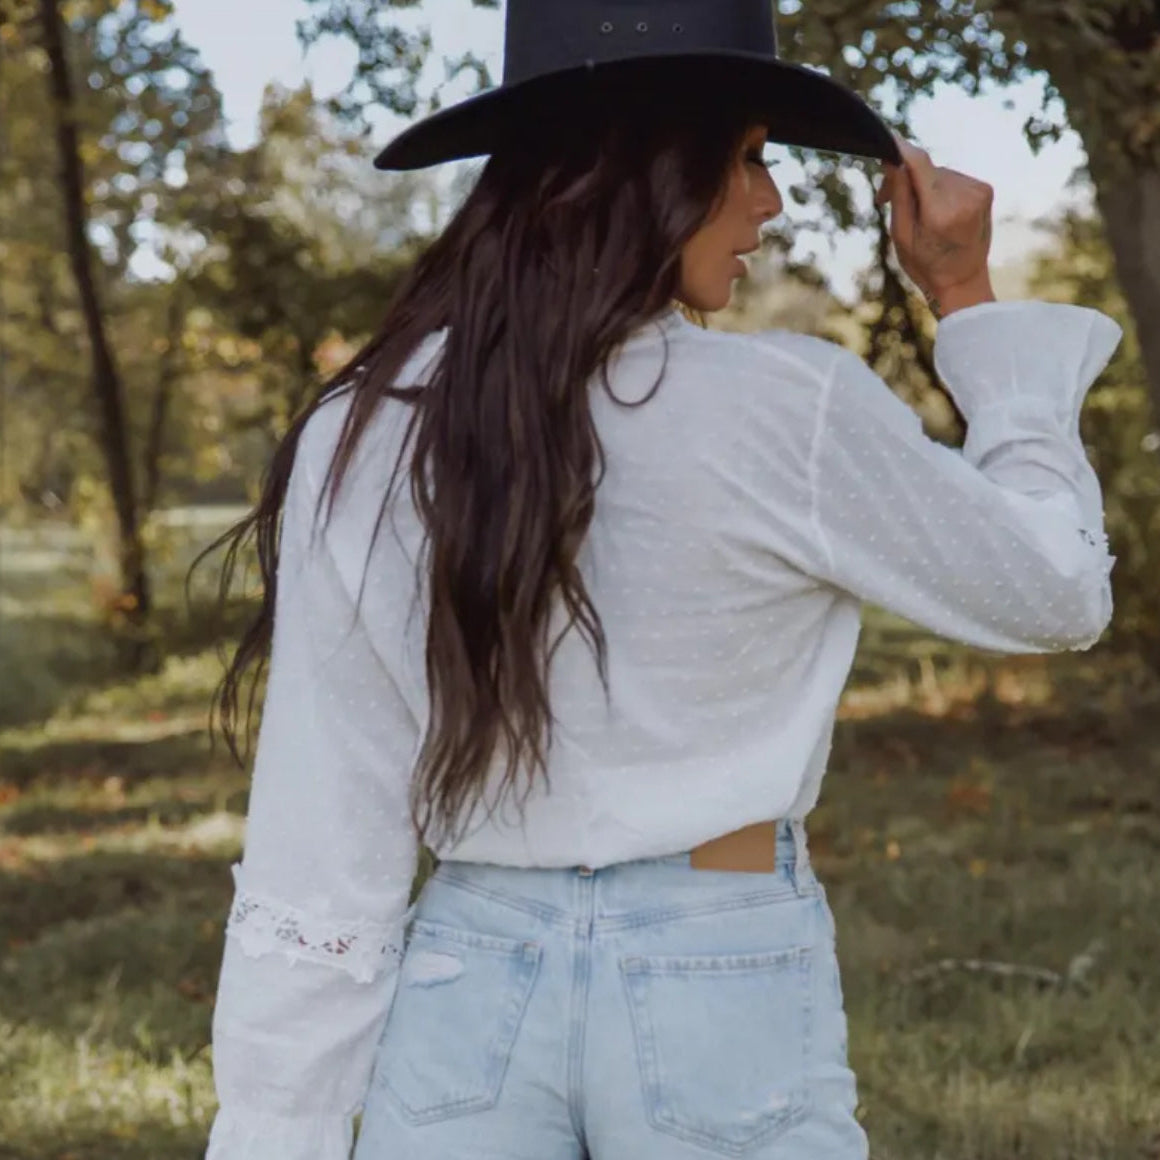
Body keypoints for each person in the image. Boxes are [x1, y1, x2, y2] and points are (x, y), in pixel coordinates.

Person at [202, 2, 1121, 1158]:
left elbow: (324, 821)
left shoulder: (367, 427)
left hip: (464, 985)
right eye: (747, 157)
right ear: (652, 163)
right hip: (717, 971)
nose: (770, 202)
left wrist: (273, 1127)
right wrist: (964, 297)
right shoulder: (784, 410)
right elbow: (1054, 588)